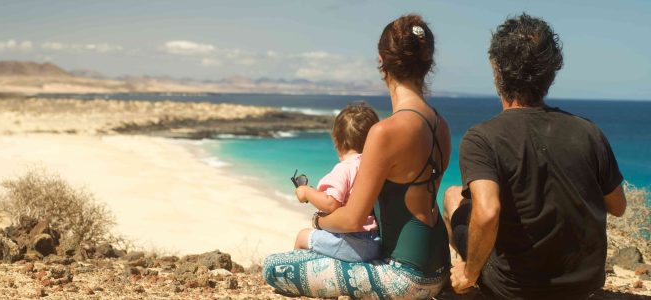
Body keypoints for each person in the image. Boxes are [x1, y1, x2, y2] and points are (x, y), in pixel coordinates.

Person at [263, 14, 450, 299]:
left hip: (404, 280)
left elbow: (351, 220)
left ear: (381, 61)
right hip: (439, 271)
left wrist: (317, 223)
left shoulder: (386, 131)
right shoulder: (441, 125)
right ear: (427, 63)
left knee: (275, 267)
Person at [442, 13, 627, 300]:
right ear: (551, 72)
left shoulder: (482, 138)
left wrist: (470, 271)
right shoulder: (589, 131)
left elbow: (488, 212)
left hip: (515, 290)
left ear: (496, 70)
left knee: (453, 196)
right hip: (584, 287)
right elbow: (618, 206)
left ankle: (469, 275)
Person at [292, 102, 381, 262]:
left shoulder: (344, 168)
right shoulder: (374, 167)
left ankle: (296, 278)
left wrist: (307, 192)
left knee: (302, 237)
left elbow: (330, 204)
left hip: (352, 242)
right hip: (375, 241)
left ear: (336, 140)